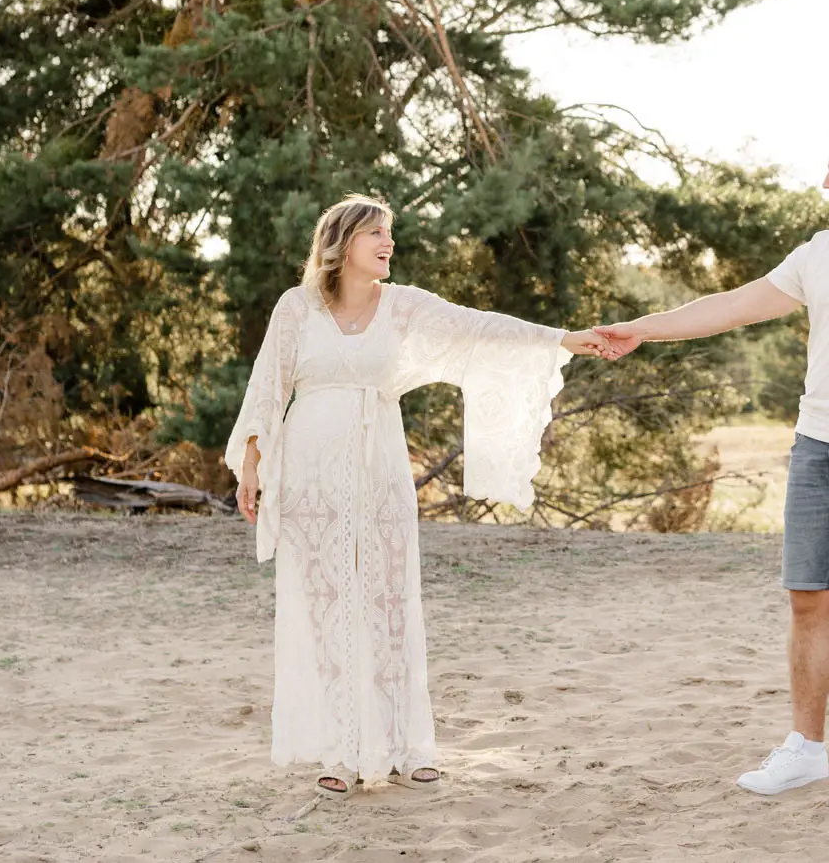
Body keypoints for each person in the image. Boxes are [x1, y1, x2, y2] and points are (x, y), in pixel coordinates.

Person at [594, 124, 829, 804]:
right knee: (807, 602)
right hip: (815, 451)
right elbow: (734, 306)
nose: (826, 180)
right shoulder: (820, 252)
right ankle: (805, 749)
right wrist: (642, 327)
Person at [226, 194, 612, 794]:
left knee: (387, 602)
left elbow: (479, 328)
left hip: (380, 469)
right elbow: (266, 392)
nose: (388, 244)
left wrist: (563, 339)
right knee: (327, 609)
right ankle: (339, 752)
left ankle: (407, 746)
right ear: (342, 241)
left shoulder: (402, 306)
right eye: (376, 233)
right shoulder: (296, 308)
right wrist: (251, 465)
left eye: (391, 234)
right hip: (311, 478)